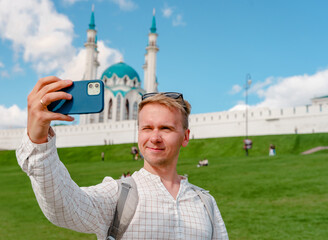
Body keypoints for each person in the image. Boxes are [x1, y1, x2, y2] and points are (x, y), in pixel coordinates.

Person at [16, 76, 228, 239]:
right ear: (138, 134)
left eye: (165, 128)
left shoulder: (205, 204)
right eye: (147, 128)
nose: (154, 137)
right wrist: (38, 139)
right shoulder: (119, 196)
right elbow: (64, 207)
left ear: (185, 137)